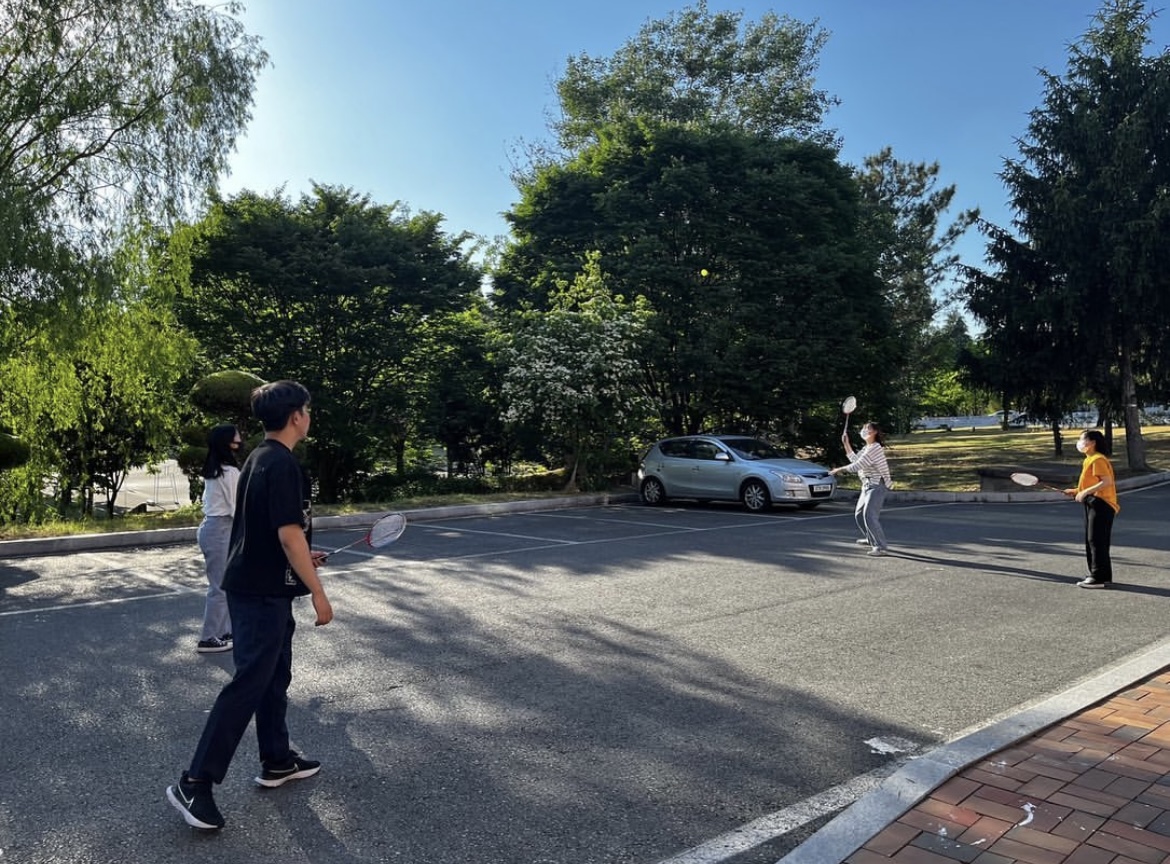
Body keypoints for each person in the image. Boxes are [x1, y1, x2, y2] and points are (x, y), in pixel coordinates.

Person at [167, 380, 334, 830]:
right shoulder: (282, 465)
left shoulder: (259, 458)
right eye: (307, 410)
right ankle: (194, 781)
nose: (309, 416)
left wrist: (304, 559)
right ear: (296, 416)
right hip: (259, 593)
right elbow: (288, 533)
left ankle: (277, 759)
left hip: (261, 586)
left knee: (274, 677)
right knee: (249, 684)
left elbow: (268, 532)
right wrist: (318, 591)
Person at [194, 424, 242, 653]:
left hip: (213, 528)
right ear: (228, 442)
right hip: (221, 529)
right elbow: (236, 508)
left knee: (225, 584)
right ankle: (209, 637)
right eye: (236, 435)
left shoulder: (216, 470)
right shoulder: (229, 472)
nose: (240, 438)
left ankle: (223, 631)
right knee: (220, 587)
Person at [1063, 429, 1119, 589]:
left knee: (1095, 540)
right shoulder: (1090, 459)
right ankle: (1103, 575)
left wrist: (1085, 492)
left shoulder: (1097, 459)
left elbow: (1106, 481)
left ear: (1092, 442)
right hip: (1095, 502)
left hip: (1102, 503)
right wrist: (1076, 491)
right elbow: (1092, 483)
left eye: (1082, 439)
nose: (1080, 443)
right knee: (1096, 540)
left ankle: (1098, 577)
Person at [829, 421, 893, 556]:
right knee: (859, 515)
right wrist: (846, 443)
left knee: (869, 515)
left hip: (877, 485)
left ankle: (880, 547)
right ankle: (871, 539)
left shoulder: (875, 448)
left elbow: (857, 466)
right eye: (863, 428)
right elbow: (855, 459)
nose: (864, 430)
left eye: (867, 428)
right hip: (867, 485)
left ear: (874, 432)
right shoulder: (866, 448)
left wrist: (838, 469)